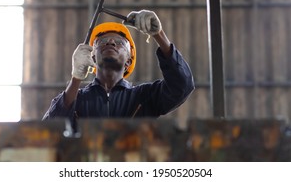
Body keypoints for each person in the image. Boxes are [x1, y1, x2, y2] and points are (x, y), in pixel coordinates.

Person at [42, 9, 195, 123]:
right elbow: (50, 128)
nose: (110, 42)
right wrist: (76, 78)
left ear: (128, 61)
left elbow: (182, 86)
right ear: (92, 56)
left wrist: (158, 34)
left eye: (120, 43)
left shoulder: (144, 97)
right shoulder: (77, 98)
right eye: (101, 42)